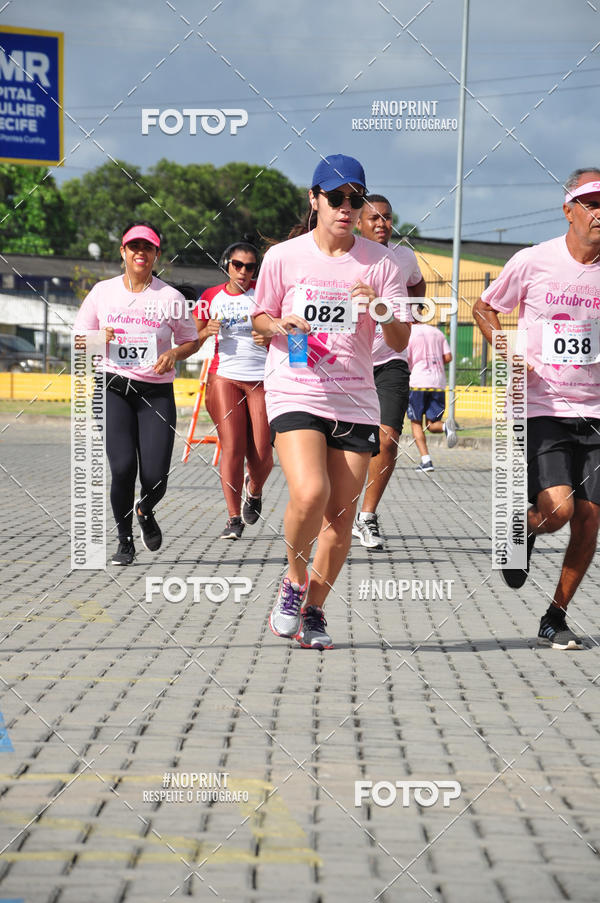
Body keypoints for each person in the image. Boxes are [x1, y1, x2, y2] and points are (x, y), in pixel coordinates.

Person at [252, 154, 411, 650]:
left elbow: (401, 338)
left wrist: (381, 307)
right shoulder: (285, 257)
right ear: (314, 198)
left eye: (354, 198)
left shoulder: (381, 262)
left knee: (339, 520)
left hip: (355, 398)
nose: (346, 207)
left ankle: (315, 611)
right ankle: (295, 580)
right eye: (336, 197)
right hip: (296, 386)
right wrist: (278, 325)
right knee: (310, 492)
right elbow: (259, 316)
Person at [473, 167, 600, 650]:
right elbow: (485, 308)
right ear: (568, 210)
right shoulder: (533, 261)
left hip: (597, 411)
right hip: (543, 405)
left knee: (592, 517)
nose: (598, 212)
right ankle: (521, 528)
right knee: (561, 509)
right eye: (589, 203)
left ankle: (555, 615)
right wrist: (504, 348)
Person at [74, 221, 200, 565]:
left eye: (148, 248)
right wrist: (103, 338)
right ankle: (124, 540)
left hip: (155, 392)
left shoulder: (170, 298)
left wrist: (174, 354)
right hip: (112, 388)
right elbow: (78, 340)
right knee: (123, 467)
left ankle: (145, 509)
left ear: (157, 254)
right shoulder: (103, 292)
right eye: (134, 247)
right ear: (123, 252)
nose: (140, 253)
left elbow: (191, 339)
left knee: (156, 477)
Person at [352, 194, 426, 549]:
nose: (382, 224)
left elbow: (417, 283)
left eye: (387, 218)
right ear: (358, 222)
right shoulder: (348, 256)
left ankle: (367, 516)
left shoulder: (404, 256)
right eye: (374, 218)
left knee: (387, 438)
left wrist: (414, 311)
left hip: (391, 360)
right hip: (350, 362)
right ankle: (339, 509)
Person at [194, 241, 273, 539]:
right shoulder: (210, 296)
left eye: (250, 267)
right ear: (226, 264)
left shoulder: (264, 294)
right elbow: (192, 339)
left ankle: (254, 491)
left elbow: (285, 332)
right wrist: (205, 331)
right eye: (237, 265)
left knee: (263, 454)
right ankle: (233, 517)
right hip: (224, 376)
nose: (243, 271)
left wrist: (269, 338)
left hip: (261, 379)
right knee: (233, 447)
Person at [407, 308, 456, 472]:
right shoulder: (437, 332)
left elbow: (405, 359)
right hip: (438, 382)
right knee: (432, 423)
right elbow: (448, 357)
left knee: (416, 423)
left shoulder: (409, 333)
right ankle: (446, 427)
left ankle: (426, 460)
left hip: (418, 382)